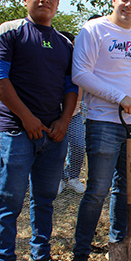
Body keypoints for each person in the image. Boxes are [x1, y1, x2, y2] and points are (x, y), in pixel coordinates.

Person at [0, 0, 77, 261]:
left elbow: (71, 87)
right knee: (9, 200)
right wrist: (27, 119)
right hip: (14, 131)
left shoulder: (66, 44)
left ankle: (40, 258)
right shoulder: (7, 33)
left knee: (45, 199)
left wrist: (64, 121)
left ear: (57, 2)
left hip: (52, 136)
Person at [70, 0, 131, 261]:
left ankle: (118, 249)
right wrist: (121, 99)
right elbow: (80, 74)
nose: (129, 5)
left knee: (125, 190)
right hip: (104, 123)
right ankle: (79, 259)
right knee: (97, 191)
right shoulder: (93, 30)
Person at [57, 31, 87, 194]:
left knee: (78, 145)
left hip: (74, 113)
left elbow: (79, 84)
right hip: (54, 112)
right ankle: (59, 178)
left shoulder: (77, 60)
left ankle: (73, 176)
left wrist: (76, 105)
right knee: (57, 146)